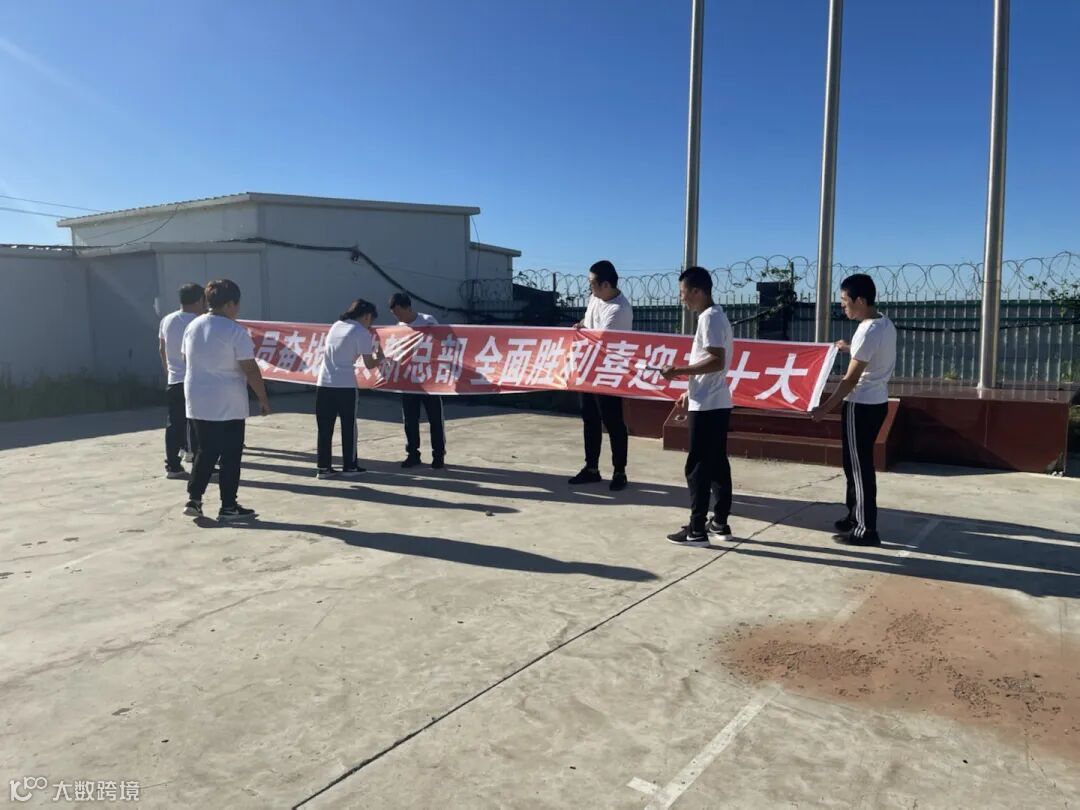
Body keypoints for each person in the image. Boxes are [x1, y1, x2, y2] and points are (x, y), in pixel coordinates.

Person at [811, 273, 897, 546]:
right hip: (877, 402)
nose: (842, 306)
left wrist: (824, 408)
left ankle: (865, 529)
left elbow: (849, 380)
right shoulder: (884, 324)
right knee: (854, 465)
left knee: (860, 468)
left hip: (860, 404)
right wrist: (848, 348)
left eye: (845, 300)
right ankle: (854, 515)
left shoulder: (867, 331)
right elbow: (870, 353)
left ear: (860, 300)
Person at [181, 278, 271, 521]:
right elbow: (250, 368)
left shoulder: (193, 326)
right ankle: (228, 506)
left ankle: (194, 499)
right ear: (230, 303)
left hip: (197, 397)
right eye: (237, 304)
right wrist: (262, 397)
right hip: (228, 400)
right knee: (231, 454)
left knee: (205, 450)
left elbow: (186, 357)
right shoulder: (235, 331)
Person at [660, 266, 735, 546]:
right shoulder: (716, 316)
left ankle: (696, 529)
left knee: (698, 466)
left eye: (683, 292)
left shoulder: (709, 318)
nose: (682, 298)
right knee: (716, 463)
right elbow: (712, 364)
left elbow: (716, 360)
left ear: (697, 291)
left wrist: (679, 371)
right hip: (712, 399)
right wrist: (689, 390)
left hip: (708, 405)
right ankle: (719, 522)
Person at [568, 260, 634, 491]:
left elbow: (601, 340)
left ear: (606, 284)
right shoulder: (595, 298)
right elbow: (588, 323)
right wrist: (580, 325)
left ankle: (619, 471)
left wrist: (584, 333)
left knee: (613, 421)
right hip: (588, 368)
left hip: (609, 372)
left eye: (592, 284)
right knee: (590, 418)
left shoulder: (619, 310)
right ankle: (591, 468)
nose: (590, 288)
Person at [315, 298, 385, 479]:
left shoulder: (336, 326)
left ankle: (323, 468)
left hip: (324, 382)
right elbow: (369, 364)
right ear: (367, 316)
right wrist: (380, 358)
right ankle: (350, 466)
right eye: (371, 320)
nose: (370, 325)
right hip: (345, 384)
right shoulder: (361, 332)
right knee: (348, 426)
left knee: (324, 428)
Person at [388, 292, 445, 469]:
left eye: (399, 313)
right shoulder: (399, 327)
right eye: (394, 314)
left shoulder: (428, 321)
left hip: (429, 380)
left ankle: (438, 455)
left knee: (435, 419)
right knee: (410, 420)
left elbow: (441, 344)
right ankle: (413, 454)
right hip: (409, 380)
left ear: (408, 308)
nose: (398, 317)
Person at [158, 283, 205, 478]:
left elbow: (162, 348)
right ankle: (198, 462)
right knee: (197, 423)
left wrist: (168, 371)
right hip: (194, 380)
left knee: (174, 423)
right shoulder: (199, 322)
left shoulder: (167, 320)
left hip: (174, 379)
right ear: (199, 300)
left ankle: (172, 465)